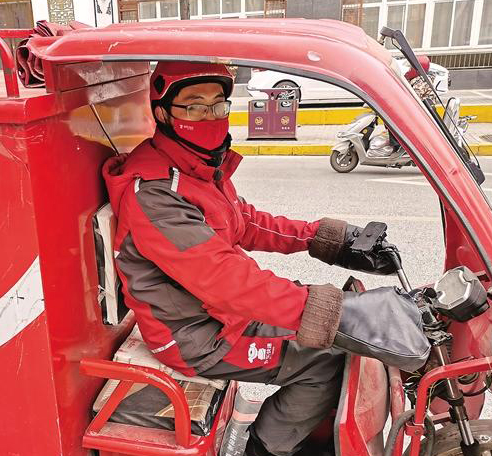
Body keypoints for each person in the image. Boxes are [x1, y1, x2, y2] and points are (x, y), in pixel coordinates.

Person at [102, 62, 430, 456]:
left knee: (328, 330)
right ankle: (263, 450)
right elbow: (225, 281)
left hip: (218, 314)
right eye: (195, 106)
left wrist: (332, 241)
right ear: (163, 113)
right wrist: (335, 312)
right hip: (197, 336)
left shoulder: (193, 168)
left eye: (218, 105)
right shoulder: (157, 193)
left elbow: (247, 223)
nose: (210, 116)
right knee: (325, 360)